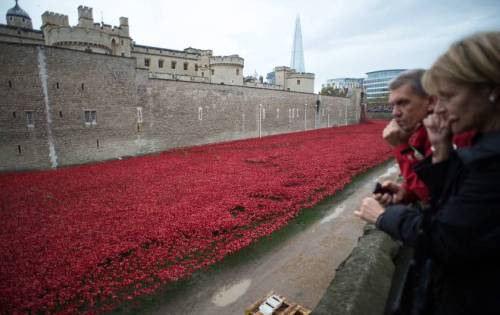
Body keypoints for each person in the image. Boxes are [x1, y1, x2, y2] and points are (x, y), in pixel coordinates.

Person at [355, 31, 500, 314]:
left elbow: (445, 232)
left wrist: (385, 215)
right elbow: (448, 198)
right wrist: (411, 189)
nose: (441, 107)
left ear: (490, 91)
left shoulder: (485, 153)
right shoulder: (478, 142)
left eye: (446, 96)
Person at [380, 69, 436, 204]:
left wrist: (400, 147)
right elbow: (429, 183)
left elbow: (434, 196)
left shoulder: (450, 134)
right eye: (393, 105)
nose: (395, 113)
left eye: (403, 103)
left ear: (431, 102)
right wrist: (404, 192)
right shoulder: (425, 131)